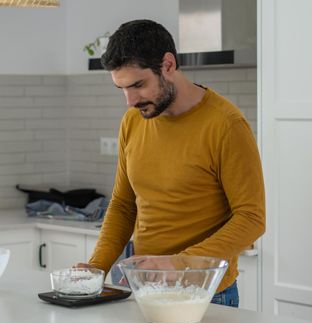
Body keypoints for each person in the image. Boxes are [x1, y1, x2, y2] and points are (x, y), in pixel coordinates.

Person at [76, 19, 265, 307]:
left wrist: (180, 264)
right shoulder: (132, 121)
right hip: (146, 291)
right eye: (122, 89)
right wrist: (97, 266)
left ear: (167, 65)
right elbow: (123, 204)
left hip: (207, 295)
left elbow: (252, 218)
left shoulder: (226, 125)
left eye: (138, 85)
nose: (130, 100)